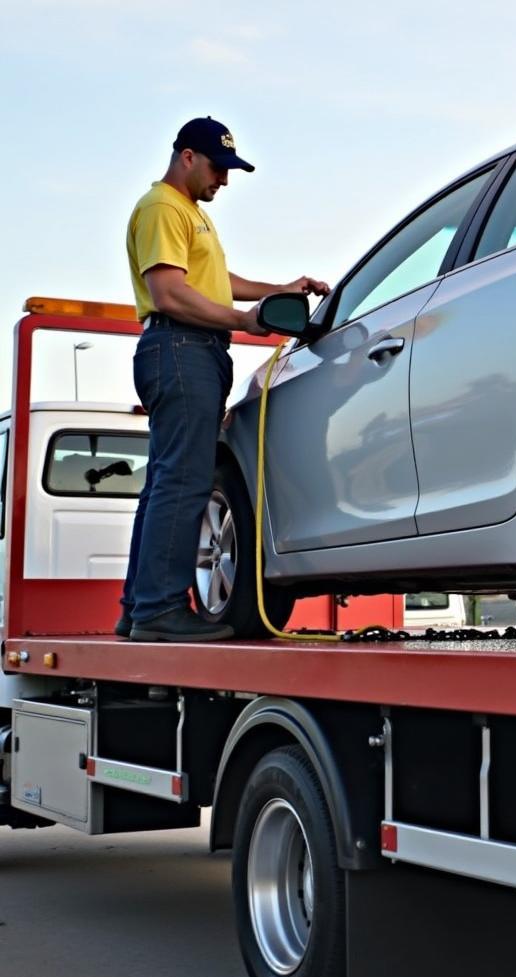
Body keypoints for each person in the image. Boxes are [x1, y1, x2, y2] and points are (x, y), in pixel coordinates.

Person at [119, 116, 329, 642]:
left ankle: (140, 607)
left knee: (166, 483)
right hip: (181, 348)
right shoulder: (164, 207)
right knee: (183, 482)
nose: (225, 180)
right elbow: (169, 292)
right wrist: (243, 322)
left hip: (187, 350)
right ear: (186, 157)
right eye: (218, 167)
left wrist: (277, 289)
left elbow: (214, 281)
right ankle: (160, 610)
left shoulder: (187, 214)